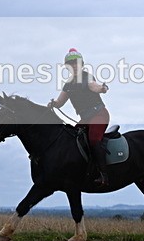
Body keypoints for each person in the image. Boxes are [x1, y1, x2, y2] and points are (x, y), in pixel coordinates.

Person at [47, 48, 110, 185]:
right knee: (73, 140)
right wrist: (53, 104)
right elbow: (60, 102)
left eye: (76, 63)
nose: (74, 66)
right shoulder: (68, 85)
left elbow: (95, 87)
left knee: (93, 139)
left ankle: (104, 176)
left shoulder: (87, 77)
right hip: (86, 119)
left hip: (99, 114)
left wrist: (102, 88)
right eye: (71, 64)